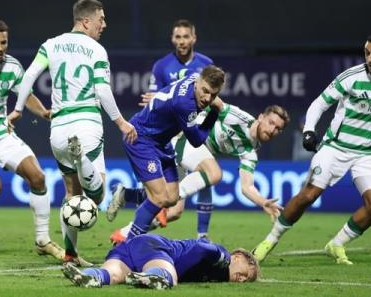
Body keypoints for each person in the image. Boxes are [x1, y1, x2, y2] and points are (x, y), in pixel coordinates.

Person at [252, 33, 371, 265]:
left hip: (368, 152)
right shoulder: (351, 77)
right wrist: (309, 130)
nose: (370, 58)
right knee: (308, 195)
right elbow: (320, 103)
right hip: (335, 147)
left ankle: (337, 243)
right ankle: (269, 241)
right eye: (367, 53)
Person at [8, 0, 137, 266]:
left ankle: (70, 255)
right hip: (86, 123)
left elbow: (28, 76)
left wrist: (19, 108)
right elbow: (102, 90)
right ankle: (82, 160)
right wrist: (121, 122)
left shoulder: (51, 44)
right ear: (86, 21)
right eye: (101, 19)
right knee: (98, 195)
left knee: (71, 195)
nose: (104, 24)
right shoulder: (96, 50)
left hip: (59, 128)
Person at [108, 104, 290, 242]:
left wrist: (263, 202)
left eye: (278, 129)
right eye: (271, 123)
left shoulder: (250, 152)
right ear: (260, 117)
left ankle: (126, 208)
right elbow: (214, 100)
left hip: (195, 151)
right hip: (184, 136)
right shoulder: (239, 117)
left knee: (174, 210)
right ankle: (136, 230)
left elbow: (247, 187)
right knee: (213, 174)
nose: (272, 130)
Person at [0, 19, 64, 260]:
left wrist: (44, 113)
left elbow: (26, 96)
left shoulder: (13, 67)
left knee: (38, 177)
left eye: (4, 42)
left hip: (2, 133)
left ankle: (42, 239)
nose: (0, 47)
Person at [121, 65, 225, 240]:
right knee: (160, 197)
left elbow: (183, 74)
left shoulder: (193, 76)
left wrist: (162, 97)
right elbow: (197, 139)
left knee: (172, 198)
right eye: (205, 91)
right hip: (141, 138)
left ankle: (126, 194)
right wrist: (215, 112)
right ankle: (128, 246)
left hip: (161, 141)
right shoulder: (184, 104)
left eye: (213, 95)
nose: (207, 98)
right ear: (197, 82)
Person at [137, 19, 215, 235]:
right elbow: (153, 99)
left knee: (207, 177)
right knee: (172, 203)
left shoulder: (206, 63)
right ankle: (133, 216)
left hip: (195, 126)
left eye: (185, 36)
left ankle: (202, 236)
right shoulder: (162, 66)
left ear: (194, 38)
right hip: (172, 134)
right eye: (178, 37)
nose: (181, 41)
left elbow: (213, 94)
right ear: (172, 39)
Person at [61, 234, 259, 289]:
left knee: (112, 274)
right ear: (238, 257)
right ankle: (152, 277)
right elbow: (202, 247)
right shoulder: (222, 258)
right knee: (169, 277)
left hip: (131, 248)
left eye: (246, 281)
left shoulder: (221, 276)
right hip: (156, 247)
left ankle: (88, 276)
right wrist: (222, 257)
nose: (242, 280)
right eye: (246, 274)